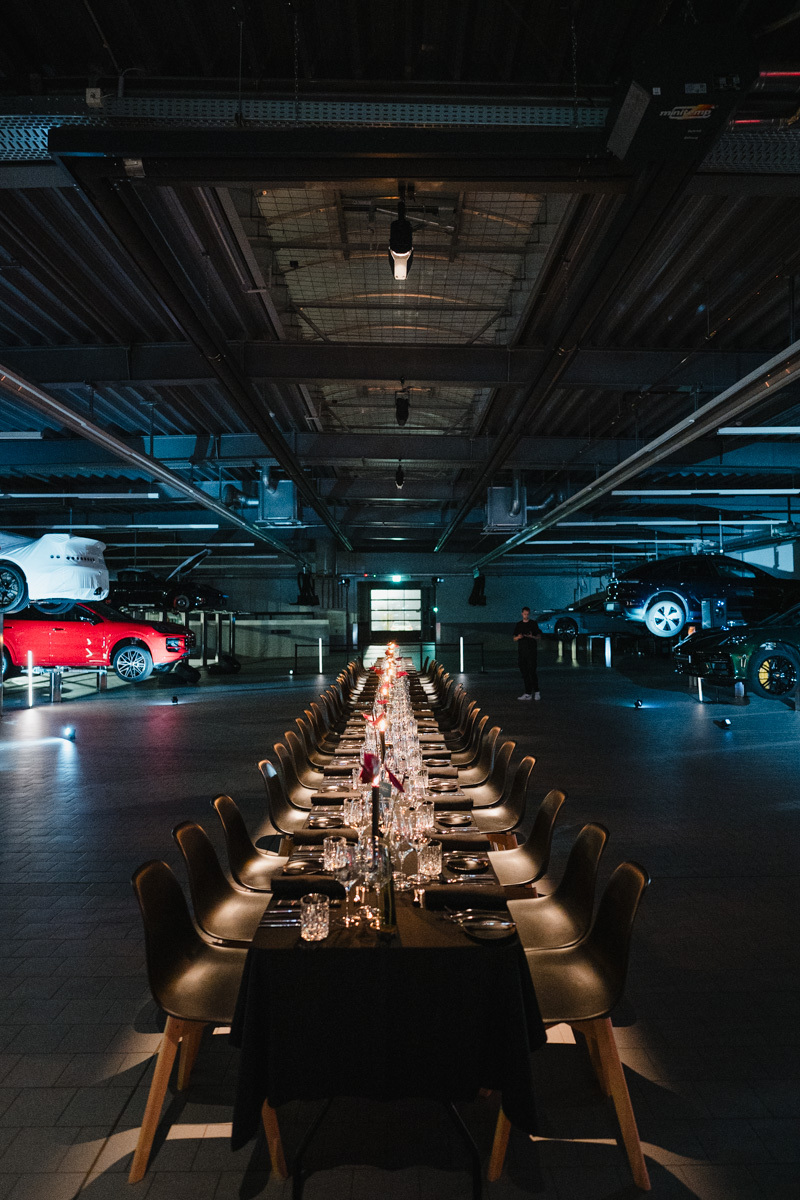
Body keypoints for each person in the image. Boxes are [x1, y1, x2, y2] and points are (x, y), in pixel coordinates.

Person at [513, 606, 541, 700]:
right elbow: (514, 638)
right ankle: (528, 692)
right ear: (522, 614)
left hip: (531, 652)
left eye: (527, 614)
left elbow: (538, 636)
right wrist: (519, 637)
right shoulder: (519, 625)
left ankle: (536, 691)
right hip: (522, 652)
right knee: (524, 672)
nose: (526, 616)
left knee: (532, 671)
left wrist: (531, 636)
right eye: (524, 614)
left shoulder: (533, 624)